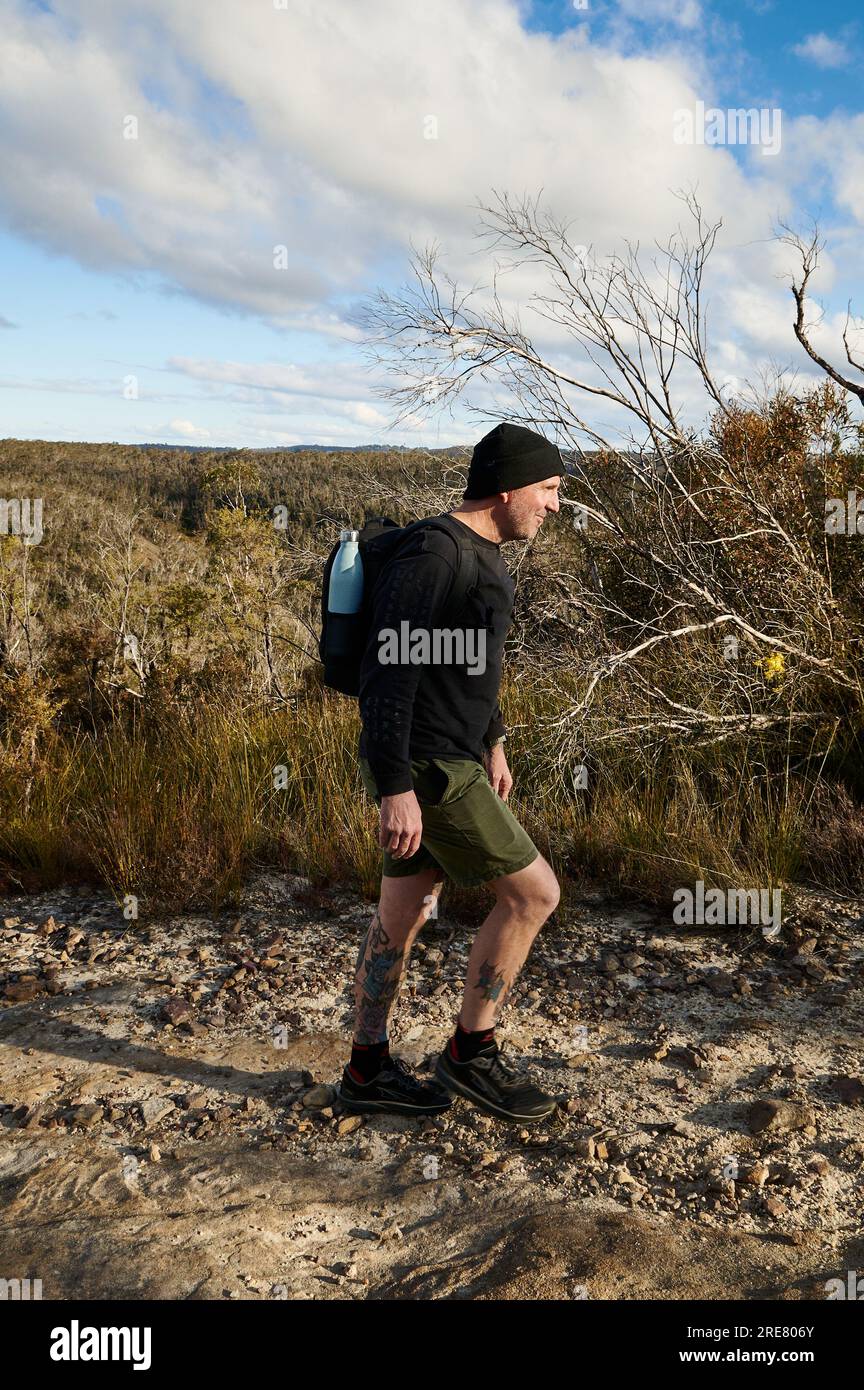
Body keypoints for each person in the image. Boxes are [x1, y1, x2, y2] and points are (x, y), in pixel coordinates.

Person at [338, 423, 563, 1124]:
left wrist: (493, 740)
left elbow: (468, 668)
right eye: (549, 489)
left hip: (454, 757)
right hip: (429, 769)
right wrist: (395, 787)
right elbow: (388, 674)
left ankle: (366, 1069)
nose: (554, 506)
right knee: (533, 896)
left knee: (399, 916)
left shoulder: (483, 555)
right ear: (507, 486)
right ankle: (471, 1051)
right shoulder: (435, 553)